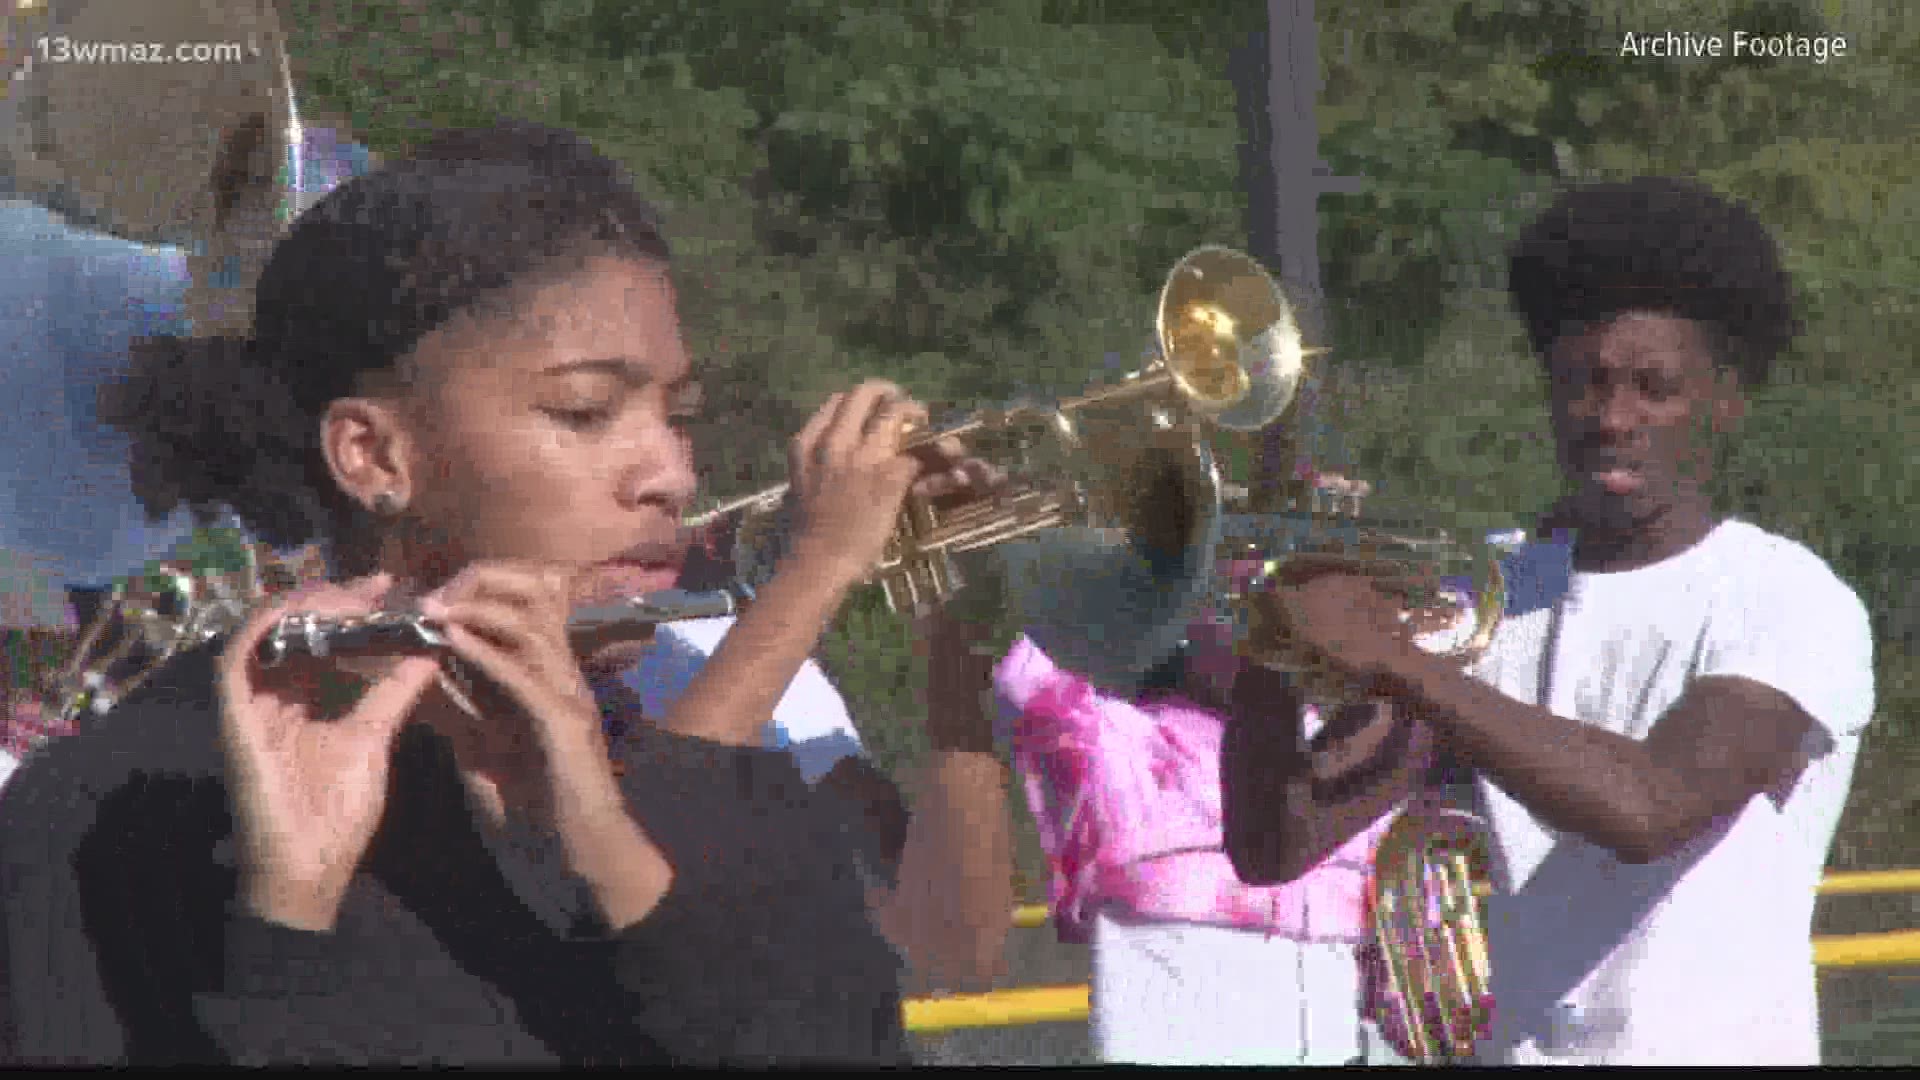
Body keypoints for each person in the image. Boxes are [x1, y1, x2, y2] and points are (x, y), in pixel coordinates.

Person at [0, 120, 1014, 1065]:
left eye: (680, 414)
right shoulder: (119, 804)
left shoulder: (720, 797)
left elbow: (868, 1013)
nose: (670, 472)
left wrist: (610, 846)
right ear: (373, 453)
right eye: (583, 412)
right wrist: (284, 934)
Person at [1221, 176, 1875, 1065]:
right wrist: (1274, 632)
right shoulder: (1488, 589)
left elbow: (1647, 809)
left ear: (1727, 402)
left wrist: (1387, 652)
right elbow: (1275, 842)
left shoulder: (1788, 597)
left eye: (1656, 389)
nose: (1613, 418)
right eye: (1584, 384)